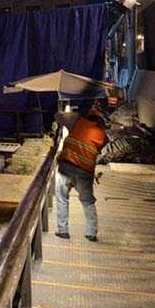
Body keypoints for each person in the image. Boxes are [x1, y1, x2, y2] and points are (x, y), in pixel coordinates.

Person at [54, 103, 109, 242]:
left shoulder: (77, 121)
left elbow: (57, 116)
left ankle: (63, 231)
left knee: (62, 198)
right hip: (85, 173)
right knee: (87, 201)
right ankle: (91, 233)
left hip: (66, 167)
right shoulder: (103, 136)